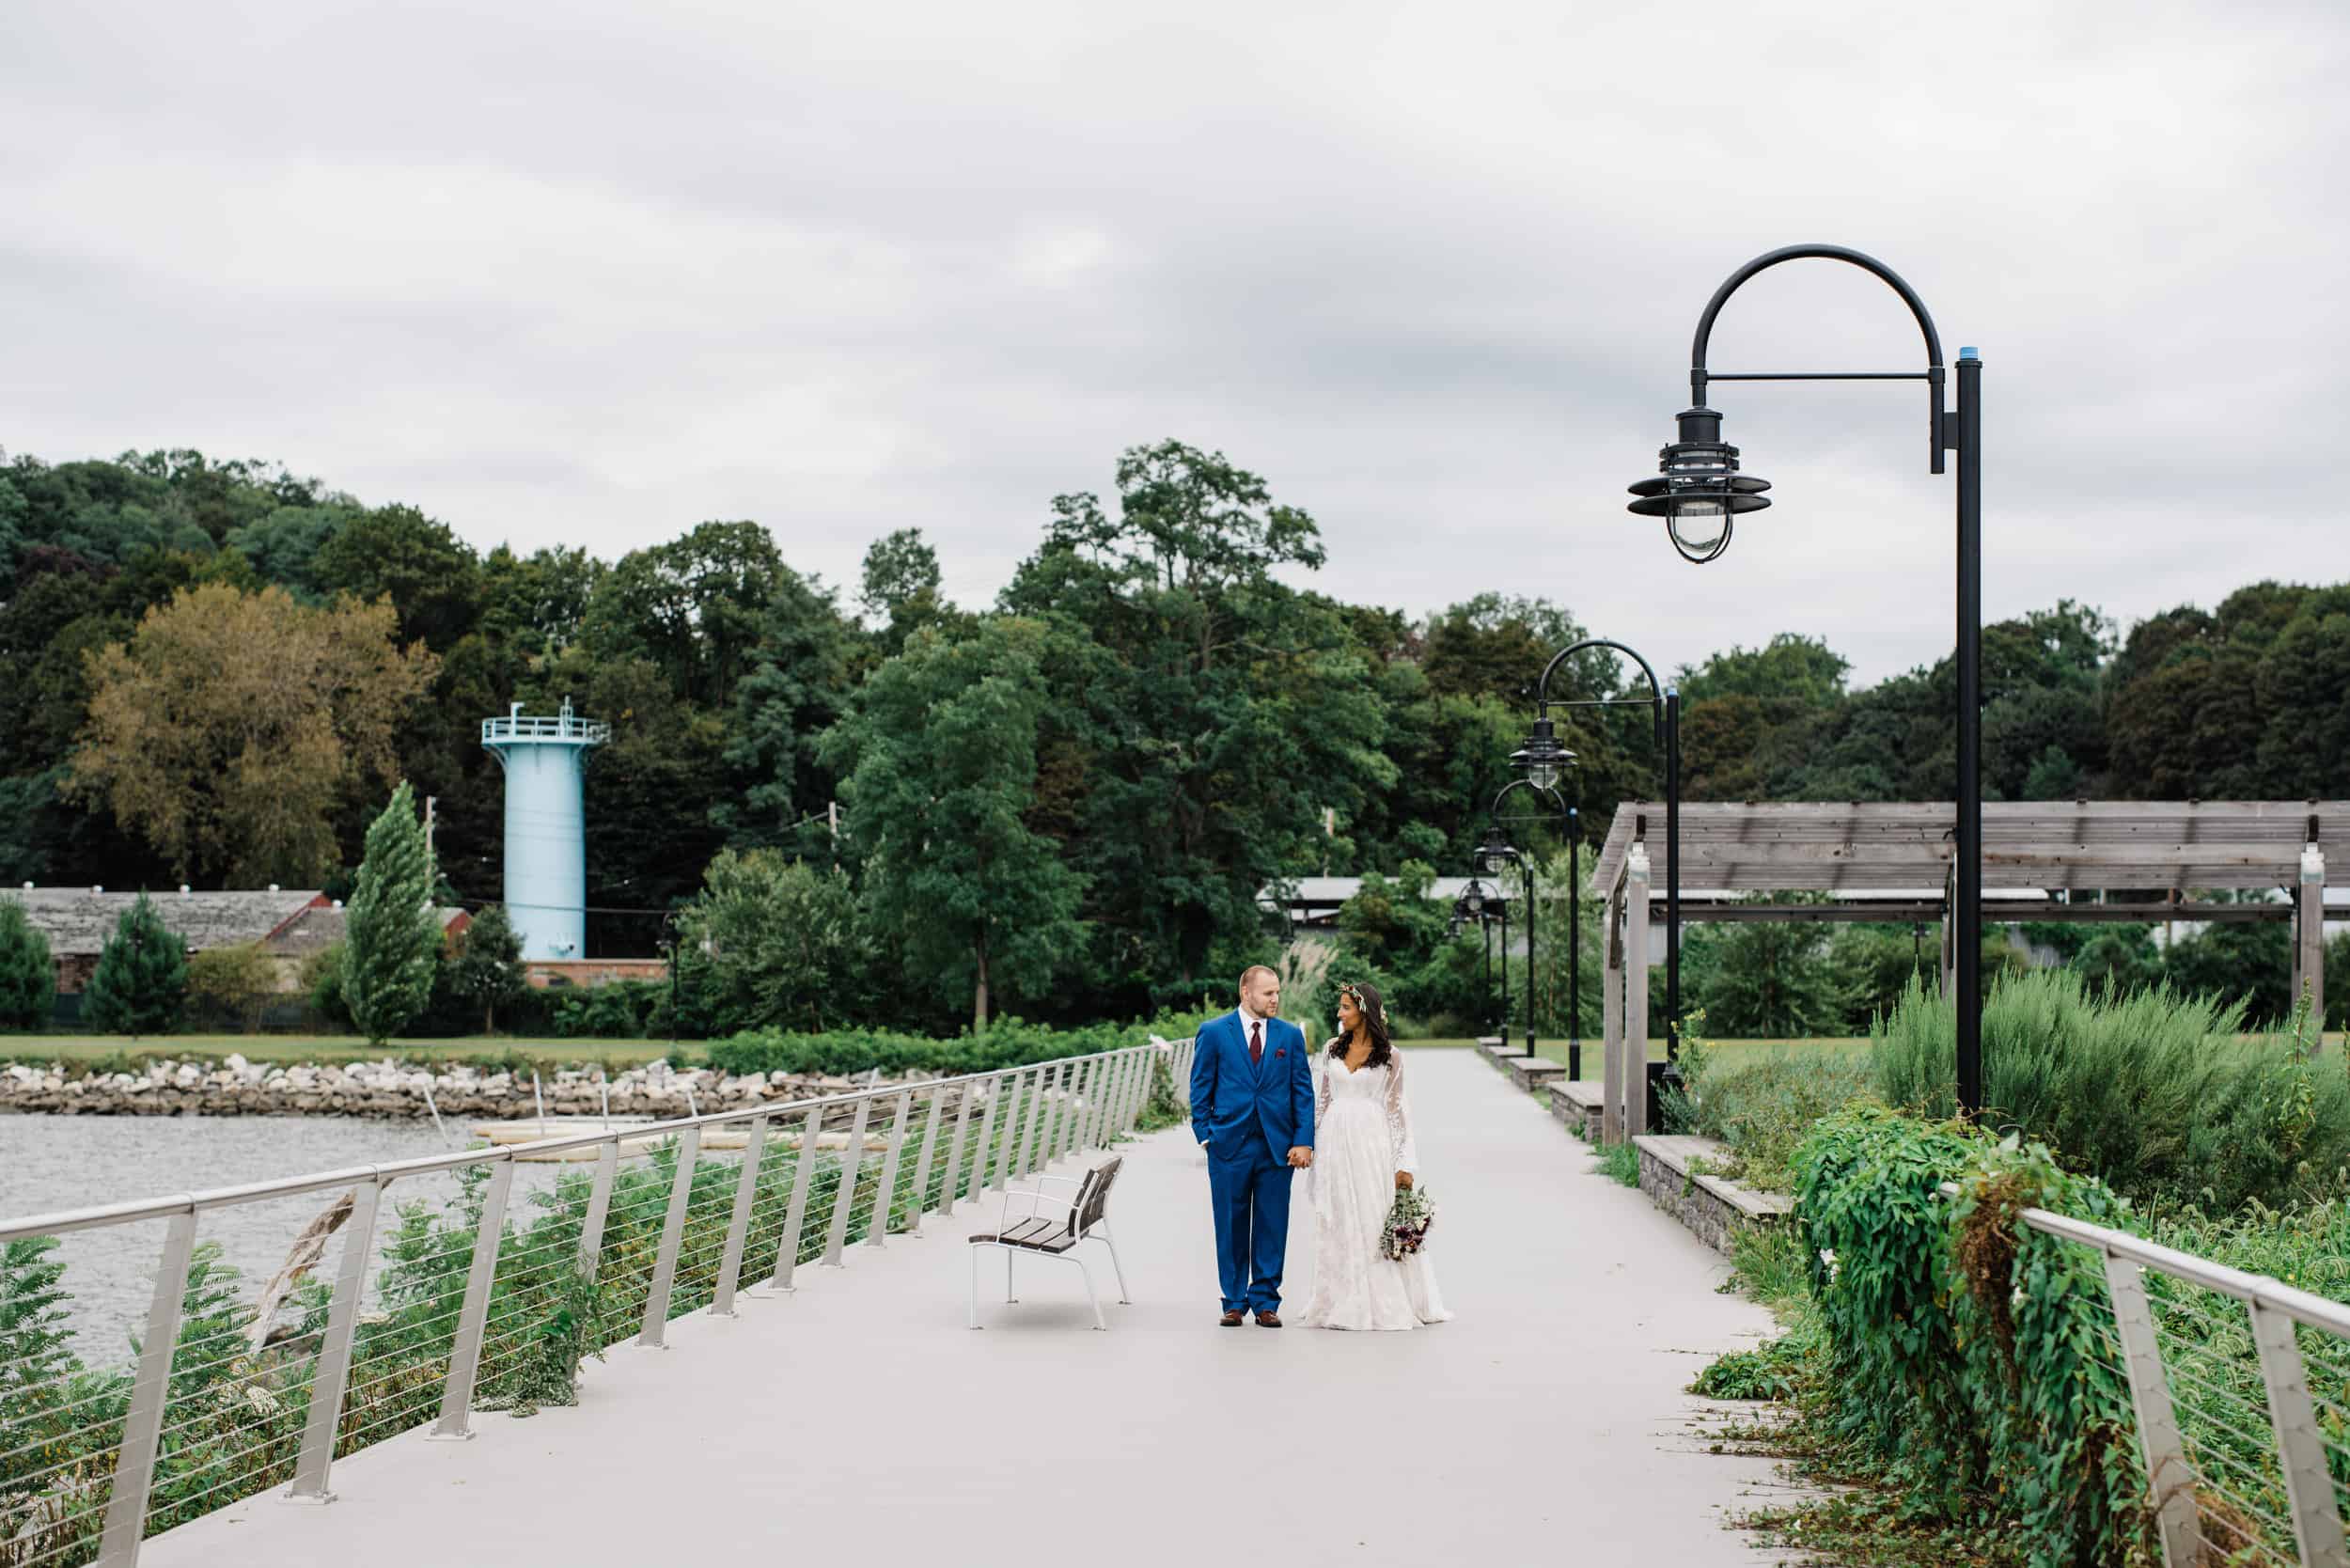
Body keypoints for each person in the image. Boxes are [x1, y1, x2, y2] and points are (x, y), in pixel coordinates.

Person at [1296, 980, 1450, 1331]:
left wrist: (1403, 1163)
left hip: (1371, 1144)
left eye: (1345, 1007)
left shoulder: (1391, 1056)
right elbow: (1322, 1101)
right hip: (1335, 1142)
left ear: (1363, 1010)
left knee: (1370, 1217)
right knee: (1337, 1217)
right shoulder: (1331, 1049)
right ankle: (1335, 1297)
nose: (1339, 1013)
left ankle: (1377, 1298)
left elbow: (1397, 1111)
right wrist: (1310, 1144)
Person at [1189, 964, 1314, 1326]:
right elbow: (1200, 1089)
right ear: (1246, 993)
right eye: (1268, 993)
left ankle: (1265, 1301)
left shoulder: (1290, 1037)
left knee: (1273, 1225)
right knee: (1230, 1223)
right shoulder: (1213, 1032)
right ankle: (1233, 1300)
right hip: (1228, 1146)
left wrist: (1303, 1140)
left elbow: (1302, 1094)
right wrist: (1206, 1135)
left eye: (1277, 992)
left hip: (1277, 1147)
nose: (1275, 999)